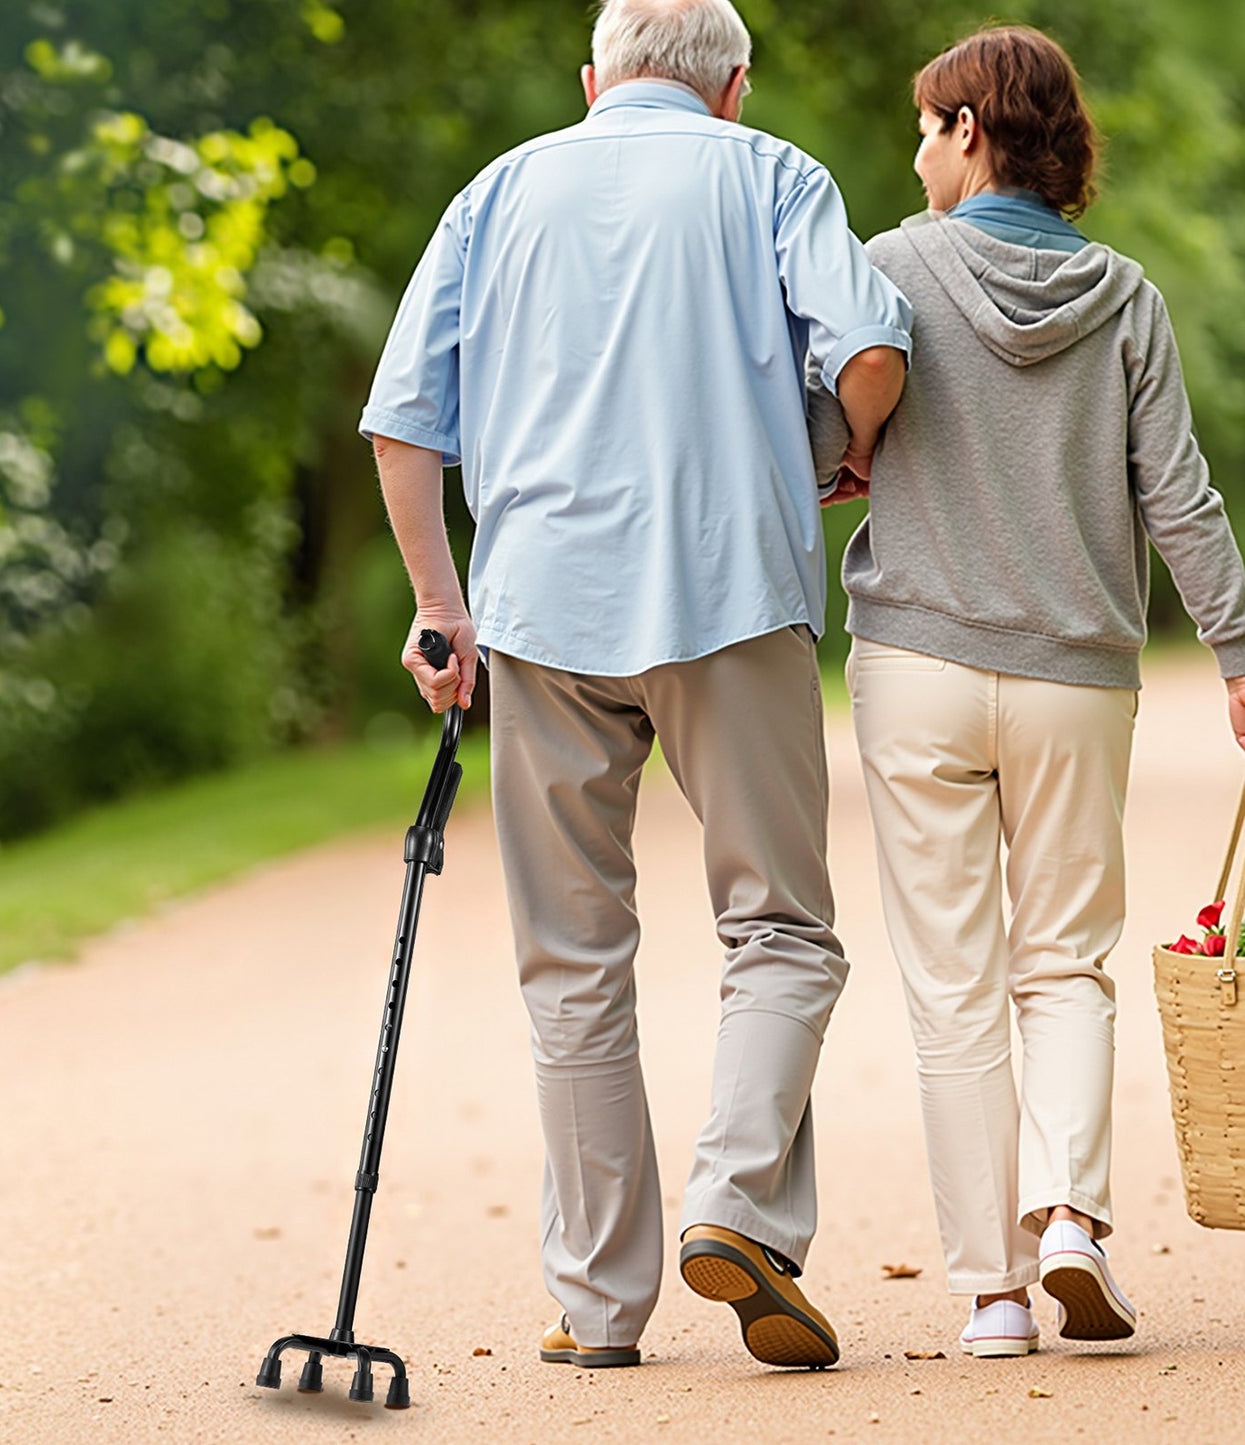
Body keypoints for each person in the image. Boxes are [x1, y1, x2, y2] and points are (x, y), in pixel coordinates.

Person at [361, 0, 911, 1371]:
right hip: (732, 597)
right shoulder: (773, 173)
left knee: (571, 963)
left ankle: (600, 1307)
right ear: (731, 89)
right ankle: (736, 1205)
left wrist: (444, 608)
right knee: (780, 928)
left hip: (544, 609)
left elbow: (402, 421)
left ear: (593, 80)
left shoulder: (497, 190)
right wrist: (840, 443)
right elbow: (873, 350)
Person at [810, 24, 1245, 1358]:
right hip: (1071, 675)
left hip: (917, 669)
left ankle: (992, 1293)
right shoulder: (1122, 297)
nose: (916, 148)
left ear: (972, 134)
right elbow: (1177, 495)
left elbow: (830, 438)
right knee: (1064, 963)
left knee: (950, 985)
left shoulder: (883, 272)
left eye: (929, 124)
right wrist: (1235, 648)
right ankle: (1072, 1222)